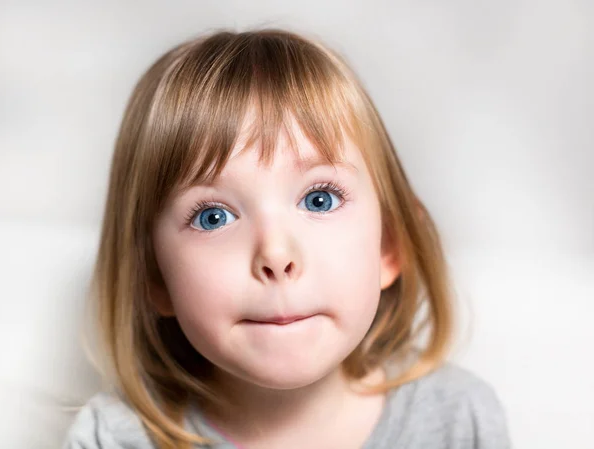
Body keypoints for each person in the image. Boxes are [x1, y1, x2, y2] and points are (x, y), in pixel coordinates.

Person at [63, 28, 511, 449]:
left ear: (389, 246)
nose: (276, 255)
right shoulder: (114, 438)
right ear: (154, 277)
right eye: (214, 216)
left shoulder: (457, 420)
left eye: (319, 200)